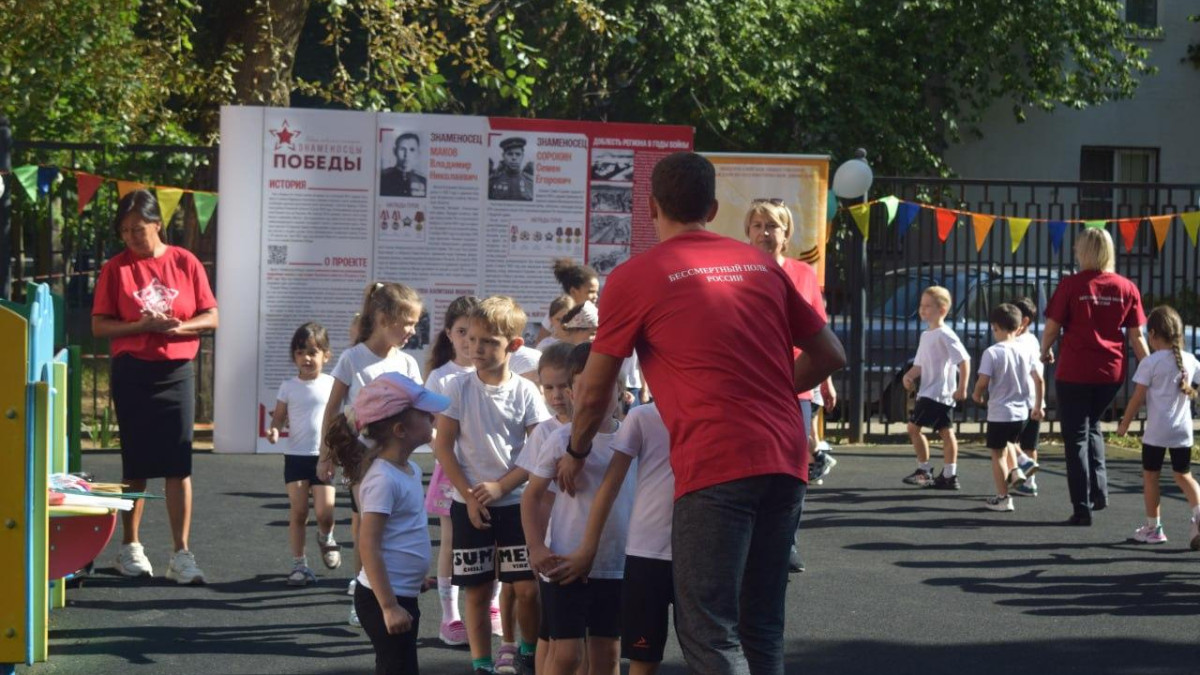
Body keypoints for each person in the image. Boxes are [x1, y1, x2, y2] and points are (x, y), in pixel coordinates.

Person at [558, 152, 845, 675]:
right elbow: (830, 355)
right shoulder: (762, 265)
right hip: (785, 458)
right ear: (712, 210)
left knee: (709, 630)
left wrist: (576, 451)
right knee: (761, 625)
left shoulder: (635, 276)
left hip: (716, 463)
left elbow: (595, 387)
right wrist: (771, 394)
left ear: (651, 207)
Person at [92, 189, 218, 585]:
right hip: (132, 371)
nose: (131, 237)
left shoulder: (185, 261)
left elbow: (211, 315)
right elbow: (99, 325)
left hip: (176, 369)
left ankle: (181, 554)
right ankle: (130, 547)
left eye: (138, 229)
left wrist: (180, 327)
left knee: (178, 465)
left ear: (157, 224)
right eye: (125, 230)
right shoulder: (116, 268)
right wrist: (140, 326)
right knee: (136, 465)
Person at [431, 296, 551, 675]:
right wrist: (469, 496)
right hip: (468, 506)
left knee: (527, 588)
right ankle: (482, 664)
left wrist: (502, 486)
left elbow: (539, 448)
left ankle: (526, 653)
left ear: (513, 345)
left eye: (488, 342)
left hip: (517, 505)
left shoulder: (526, 392)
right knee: (478, 591)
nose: (476, 348)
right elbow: (443, 446)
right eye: (471, 339)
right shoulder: (456, 387)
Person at [318, 281, 424, 626]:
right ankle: (365, 592)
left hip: (397, 459)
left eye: (415, 324)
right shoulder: (353, 358)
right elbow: (333, 408)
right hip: (362, 461)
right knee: (367, 526)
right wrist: (325, 454)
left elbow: (418, 408)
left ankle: (392, 587)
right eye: (407, 323)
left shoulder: (407, 362)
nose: (412, 331)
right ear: (382, 319)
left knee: (396, 525)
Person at [326, 373, 445, 675]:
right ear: (400, 430)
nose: (432, 417)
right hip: (383, 599)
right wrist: (389, 606)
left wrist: (414, 576)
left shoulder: (410, 469)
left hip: (402, 592)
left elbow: (403, 532)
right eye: (424, 414)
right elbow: (369, 545)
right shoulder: (382, 479)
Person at [743, 198, 838, 572]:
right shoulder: (737, 270)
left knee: (792, 470)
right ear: (748, 232)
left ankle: (786, 543)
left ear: (786, 234)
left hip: (795, 386)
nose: (764, 233)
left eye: (772, 226)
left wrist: (825, 382)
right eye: (757, 226)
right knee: (747, 467)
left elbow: (819, 332)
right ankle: (748, 541)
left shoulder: (803, 274)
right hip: (748, 387)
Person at [525, 343, 631, 675]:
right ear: (572, 394)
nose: (593, 397)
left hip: (615, 564)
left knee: (607, 654)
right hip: (565, 561)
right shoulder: (560, 439)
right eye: (583, 388)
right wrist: (536, 546)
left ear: (620, 389)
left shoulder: (633, 437)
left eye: (603, 388)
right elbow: (532, 496)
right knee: (567, 654)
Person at [553, 398, 672, 675]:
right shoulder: (642, 416)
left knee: (708, 650)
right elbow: (609, 486)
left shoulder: (721, 410)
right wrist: (588, 548)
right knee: (642, 657)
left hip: (701, 551)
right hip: (646, 553)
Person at [1042, 228, 1148, 526]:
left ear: (1084, 251)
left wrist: (1044, 350)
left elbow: (1052, 326)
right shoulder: (1127, 287)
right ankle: (1099, 492)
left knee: (1075, 435)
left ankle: (1081, 507)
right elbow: (1137, 336)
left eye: (1078, 248)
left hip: (1075, 370)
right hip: (1110, 372)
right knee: (1093, 426)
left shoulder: (1071, 285)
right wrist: (1152, 368)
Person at [423, 296, 482, 646]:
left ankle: (491, 607)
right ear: (448, 333)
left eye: (475, 332)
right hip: (450, 472)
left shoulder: (490, 372)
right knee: (451, 541)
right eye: (462, 332)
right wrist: (441, 445)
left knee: (491, 539)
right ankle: (450, 616)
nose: (468, 340)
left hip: (487, 472)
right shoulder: (440, 376)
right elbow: (427, 425)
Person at [515, 342, 576, 675]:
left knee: (588, 637)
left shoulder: (606, 426)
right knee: (551, 632)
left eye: (563, 386)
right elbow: (536, 496)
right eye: (548, 387)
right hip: (555, 545)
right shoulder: (545, 432)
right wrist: (536, 546)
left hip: (590, 545)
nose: (556, 395)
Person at [1117, 305, 1200, 548]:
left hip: (1156, 432)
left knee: (1151, 477)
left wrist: (1124, 424)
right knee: (1183, 475)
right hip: (1182, 431)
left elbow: (1137, 398)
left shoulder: (1150, 363)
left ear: (1152, 334)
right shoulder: (1191, 360)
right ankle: (1198, 513)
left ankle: (1154, 528)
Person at [267, 322, 341, 586]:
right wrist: (274, 430)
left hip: (324, 457)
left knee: (325, 513)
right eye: (300, 353)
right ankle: (299, 565)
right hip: (295, 457)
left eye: (312, 352)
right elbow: (279, 417)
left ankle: (326, 536)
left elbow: (340, 417)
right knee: (298, 512)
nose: (306, 358)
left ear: (326, 355)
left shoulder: (333, 384)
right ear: (294, 356)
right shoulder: (288, 386)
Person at [971, 304, 1044, 512]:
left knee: (998, 455)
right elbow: (1039, 380)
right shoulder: (1026, 350)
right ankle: (1020, 463)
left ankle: (1003, 497)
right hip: (1022, 413)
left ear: (995, 327)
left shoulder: (992, 352)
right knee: (1011, 442)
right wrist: (1037, 405)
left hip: (1000, 412)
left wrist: (976, 394)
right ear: (1018, 326)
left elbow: (983, 381)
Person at [901, 286, 970, 490]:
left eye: (927, 306)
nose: (922, 309)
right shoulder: (926, 335)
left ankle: (924, 470)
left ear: (942, 310)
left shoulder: (945, 334)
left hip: (937, 393)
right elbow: (920, 364)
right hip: (930, 392)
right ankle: (949, 475)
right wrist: (909, 375)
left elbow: (964, 360)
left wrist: (963, 387)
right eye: (921, 305)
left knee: (913, 428)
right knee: (946, 432)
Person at [1009, 296, 1043, 498]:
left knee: (1007, 440)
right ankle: (1030, 482)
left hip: (1019, 400)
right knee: (1030, 444)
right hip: (1034, 399)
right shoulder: (1033, 339)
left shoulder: (1016, 342)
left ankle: (1021, 466)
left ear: (1024, 321)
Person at [379, 132, 427, 198]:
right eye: (402, 149)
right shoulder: (383, 178)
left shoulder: (423, 181)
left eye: (412, 150)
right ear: (395, 151)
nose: (406, 155)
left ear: (418, 152)